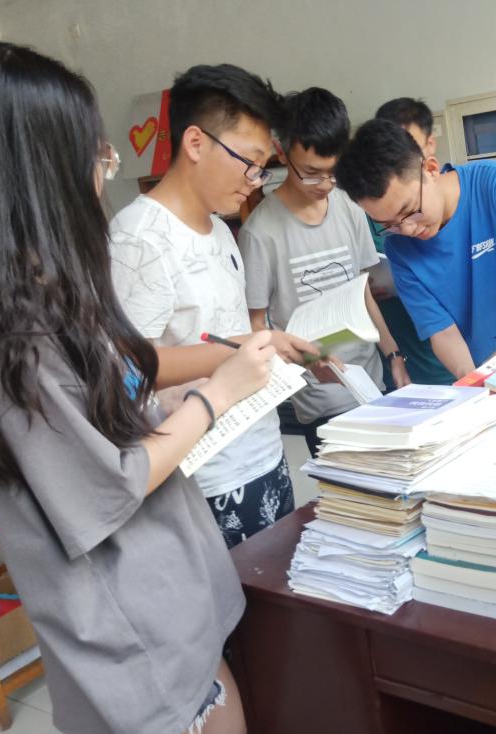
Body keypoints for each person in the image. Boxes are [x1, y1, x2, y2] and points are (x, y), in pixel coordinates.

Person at [0, 40, 261, 734]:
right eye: (95, 157)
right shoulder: (13, 339)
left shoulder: (57, 294)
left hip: (170, 583)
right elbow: (108, 484)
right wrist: (216, 397)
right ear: (35, 176)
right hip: (126, 621)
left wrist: (177, 398)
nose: (102, 177)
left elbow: (120, 390)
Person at [110, 64, 317, 547]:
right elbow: (127, 368)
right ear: (196, 143)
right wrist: (241, 350)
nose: (255, 180)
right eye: (250, 161)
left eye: (263, 166)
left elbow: (220, 332)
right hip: (201, 477)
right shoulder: (137, 239)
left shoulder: (222, 230)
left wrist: (271, 345)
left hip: (261, 453)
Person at [335, 119, 496, 379]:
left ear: (430, 169)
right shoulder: (400, 250)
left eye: (410, 211)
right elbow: (442, 331)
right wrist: (475, 380)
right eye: (388, 224)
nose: (407, 229)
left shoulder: (491, 182)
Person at [239, 87, 407, 456]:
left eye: (333, 173)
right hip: (320, 399)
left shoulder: (348, 206)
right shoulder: (260, 232)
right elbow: (255, 326)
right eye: (312, 174)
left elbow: (362, 291)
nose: (326, 185)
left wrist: (393, 355)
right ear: (282, 151)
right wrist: (305, 364)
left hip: (371, 385)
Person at [368, 97, 455, 385]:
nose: (406, 228)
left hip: (457, 348)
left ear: (430, 148)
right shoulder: (380, 214)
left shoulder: (466, 195)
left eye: (408, 146)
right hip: (408, 345)